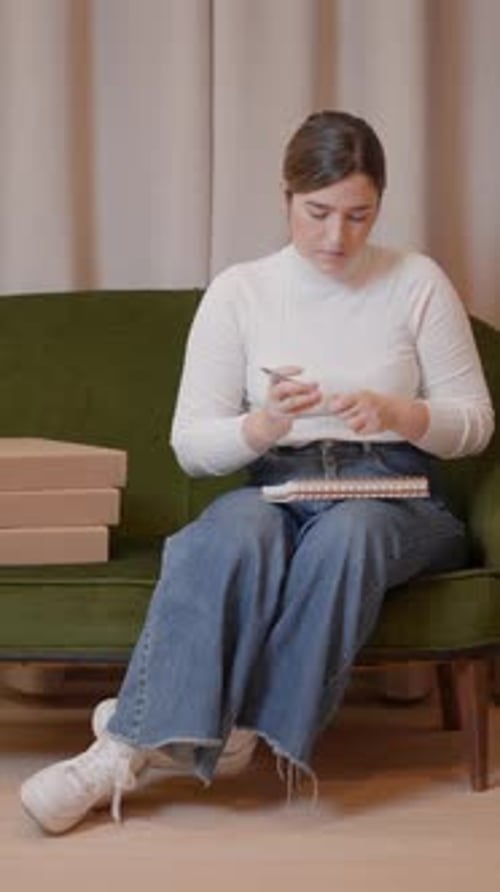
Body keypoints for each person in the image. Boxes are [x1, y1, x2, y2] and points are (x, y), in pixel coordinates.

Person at [20, 110, 494, 835]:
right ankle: (126, 750)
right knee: (224, 535)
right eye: (319, 213)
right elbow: (192, 445)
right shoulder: (240, 291)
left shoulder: (416, 281)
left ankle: (198, 726)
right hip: (278, 481)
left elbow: (475, 422)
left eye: (359, 216)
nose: (337, 237)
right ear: (286, 196)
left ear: (380, 207)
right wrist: (264, 424)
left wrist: (402, 414)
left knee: (350, 536)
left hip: (396, 494)